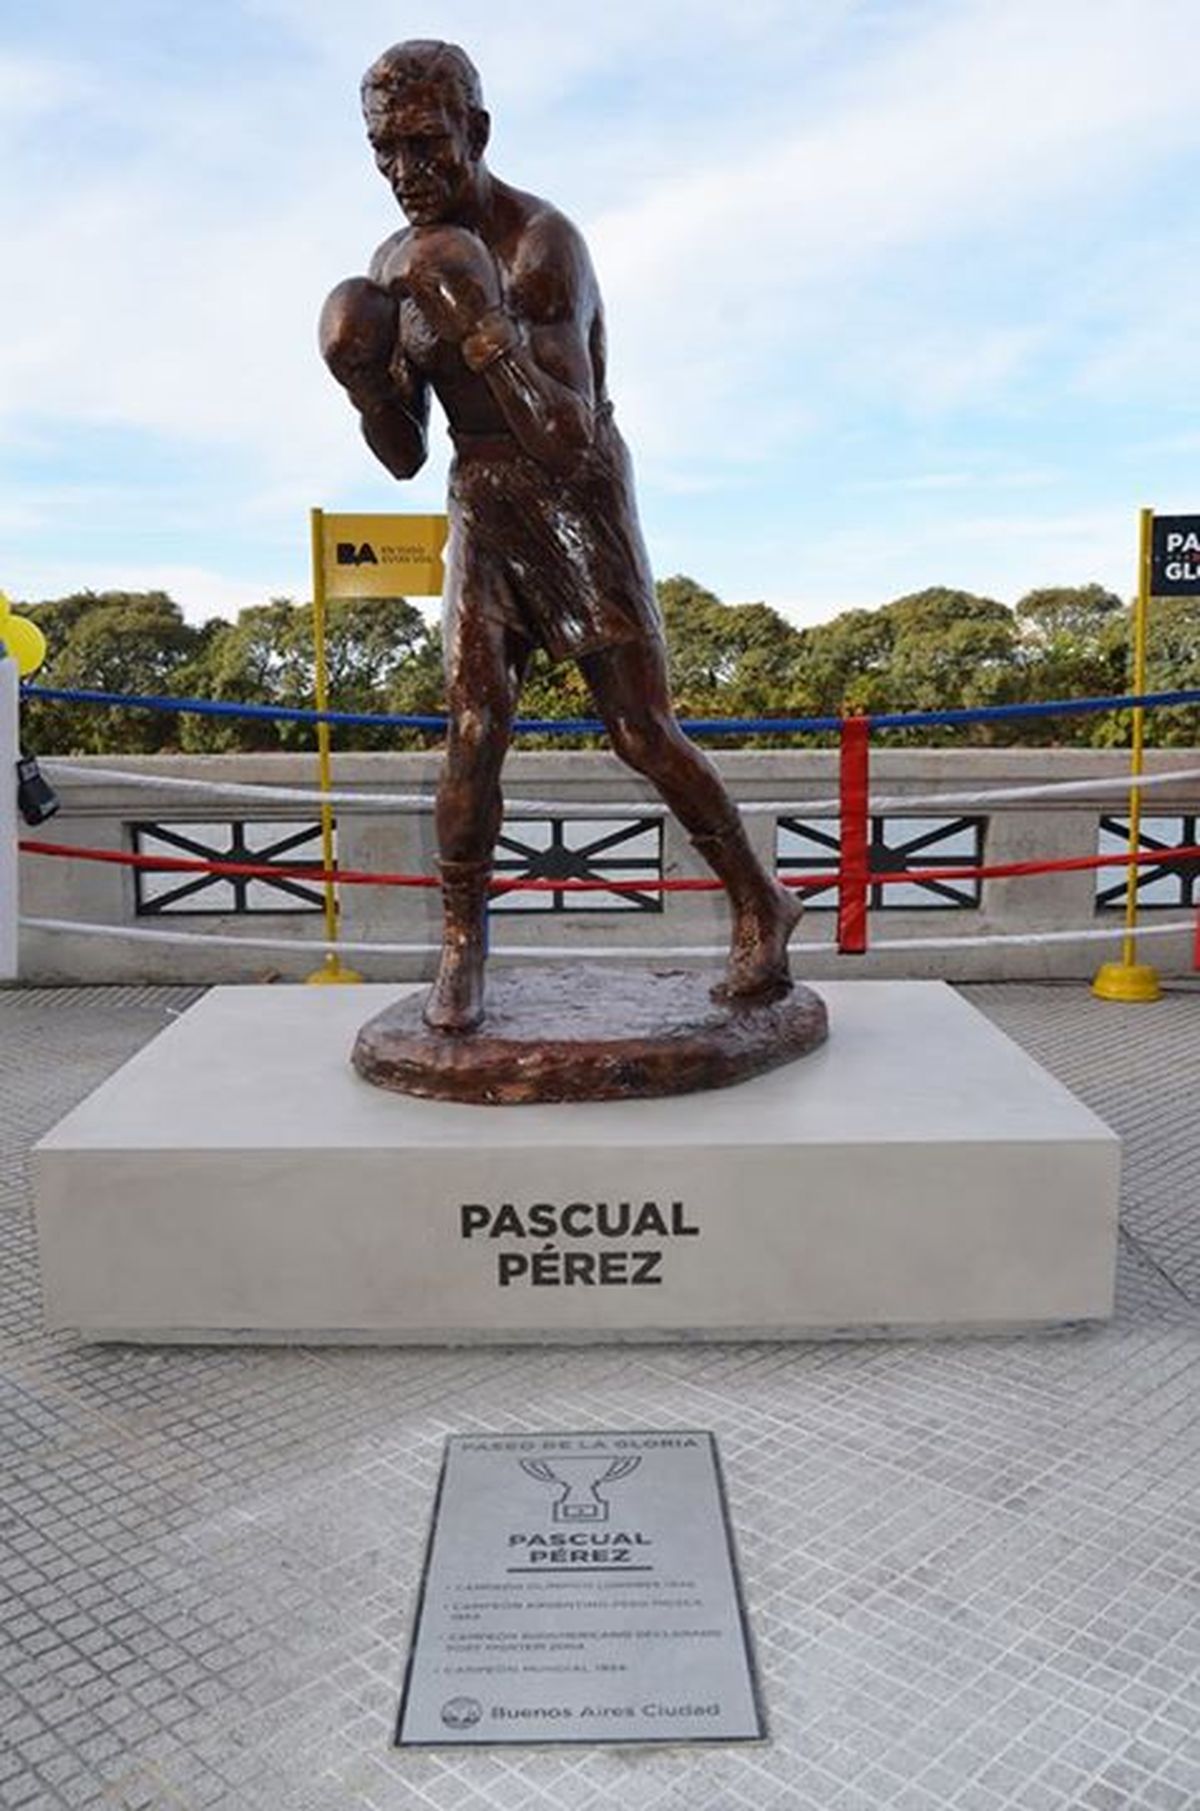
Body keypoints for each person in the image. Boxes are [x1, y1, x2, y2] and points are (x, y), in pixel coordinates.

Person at [320, 39, 800, 1034]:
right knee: (473, 731)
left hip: (574, 494)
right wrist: (366, 383)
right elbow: (406, 455)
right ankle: (462, 945)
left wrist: (480, 329)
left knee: (639, 730)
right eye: (384, 150)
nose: (406, 171)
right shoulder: (393, 264)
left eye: (425, 144)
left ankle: (761, 899)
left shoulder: (541, 245)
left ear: (476, 132)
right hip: (480, 495)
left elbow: (563, 432)